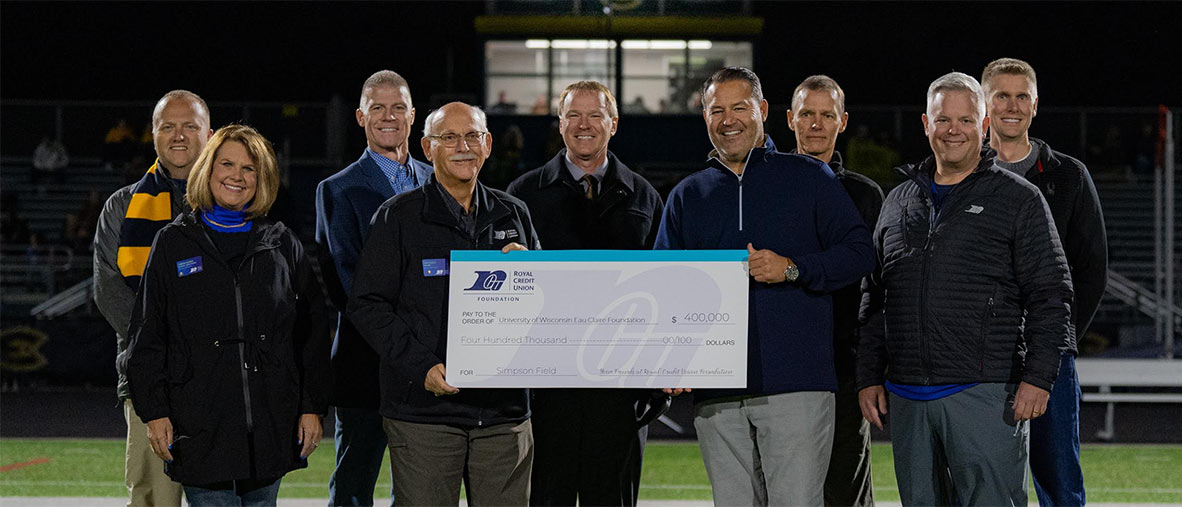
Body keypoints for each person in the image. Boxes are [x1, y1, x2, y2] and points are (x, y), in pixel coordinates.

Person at [654, 67, 876, 506]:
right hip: (716, 393)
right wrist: (669, 357)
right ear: (704, 117)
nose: (728, 119)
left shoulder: (809, 177)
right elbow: (665, 285)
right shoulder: (687, 195)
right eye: (717, 110)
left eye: (739, 107)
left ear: (763, 111)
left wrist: (793, 268)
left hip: (796, 385)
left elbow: (859, 253)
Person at [857, 72, 1074, 506]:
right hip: (908, 395)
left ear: (984, 124)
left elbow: (1052, 294)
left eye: (965, 120)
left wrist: (1039, 377)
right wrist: (868, 375)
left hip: (986, 391)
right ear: (925, 123)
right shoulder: (898, 201)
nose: (953, 130)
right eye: (942, 120)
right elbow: (875, 296)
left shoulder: (1019, 198)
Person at [126, 124, 330, 506]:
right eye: (227, 164)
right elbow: (147, 337)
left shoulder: (283, 243)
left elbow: (313, 334)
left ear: (262, 178)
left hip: (270, 426)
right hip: (200, 426)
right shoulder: (172, 242)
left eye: (249, 168)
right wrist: (155, 412)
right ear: (208, 169)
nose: (237, 176)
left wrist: (312, 406)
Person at [348, 102, 540, 506]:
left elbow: (544, 309)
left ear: (488, 144)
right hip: (425, 414)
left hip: (503, 416)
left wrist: (532, 277)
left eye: (472, 136)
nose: (463, 146)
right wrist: (422, 368)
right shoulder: (397, 217)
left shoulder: (515, 213)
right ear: (426, 147)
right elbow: (368, 305)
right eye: (449, 137)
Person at [507, 80, 667, 507]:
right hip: (546, 394)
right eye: (573, 115)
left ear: (613, 124)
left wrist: (658, 380)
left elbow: (664, 289)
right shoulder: (522, 196)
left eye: (595, 115)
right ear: (559, 125)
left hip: (619, 394)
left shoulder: (646, 197)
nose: (584, 125)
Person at [981, 57, 1108, 507]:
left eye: (1021, 97)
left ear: (1034, 107)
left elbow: (1092, 267)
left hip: (1049, 355)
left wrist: (1059, 338)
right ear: (984, 104)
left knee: (1058, 476)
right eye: (1001, 95)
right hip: (979, 356)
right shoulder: (958, 173)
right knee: (984, 477)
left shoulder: (1067, 175)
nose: (1011, 106)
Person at [314, 69, 432, 507]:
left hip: (428, 367)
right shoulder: (338, 190)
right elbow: (346, 285)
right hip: (367, 363)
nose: (389, 116)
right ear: (361, 117)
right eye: (378, 108)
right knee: (354, 487)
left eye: (398, 107)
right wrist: (410, 336)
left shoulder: (438, 180)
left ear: (413, 115)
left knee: (423, 489)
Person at [93, 89, 211, 507]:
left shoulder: (235, 201)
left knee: (223, 498)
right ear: (154, 134)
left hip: (221, 380)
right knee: (152, 500)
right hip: (150, 378)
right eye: (168, 127)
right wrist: (169, 346)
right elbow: (110, 292)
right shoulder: (122, 207)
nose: (179, 136)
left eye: (190, 126)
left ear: (209, 133)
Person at [787, 75, 883, 507]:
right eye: (807, 113)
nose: (816, 124)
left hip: (844, 369)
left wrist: (872, 369)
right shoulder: (766, 189)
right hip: (782, 369)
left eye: (827, 115)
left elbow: (879, 289)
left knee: (846, 487)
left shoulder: (865, 196)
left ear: (842, 122)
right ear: (790, 119)